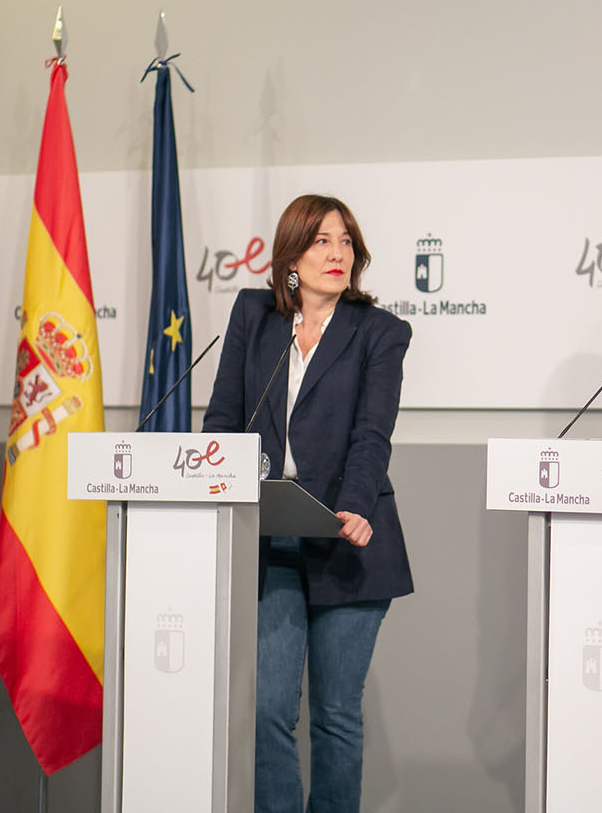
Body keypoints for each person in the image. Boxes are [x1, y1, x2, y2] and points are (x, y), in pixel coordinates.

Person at [203, 194, 413, 813]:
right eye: (322, 241)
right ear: (291, 255)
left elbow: (372, 435)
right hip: (269, 539)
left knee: (336, 716)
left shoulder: (381, 332)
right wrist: (217, 485)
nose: (337, 253)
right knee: (269, 710)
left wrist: (351, 509)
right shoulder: (253, 315)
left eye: (345, 241)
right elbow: (222, 417)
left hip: (347, 541)